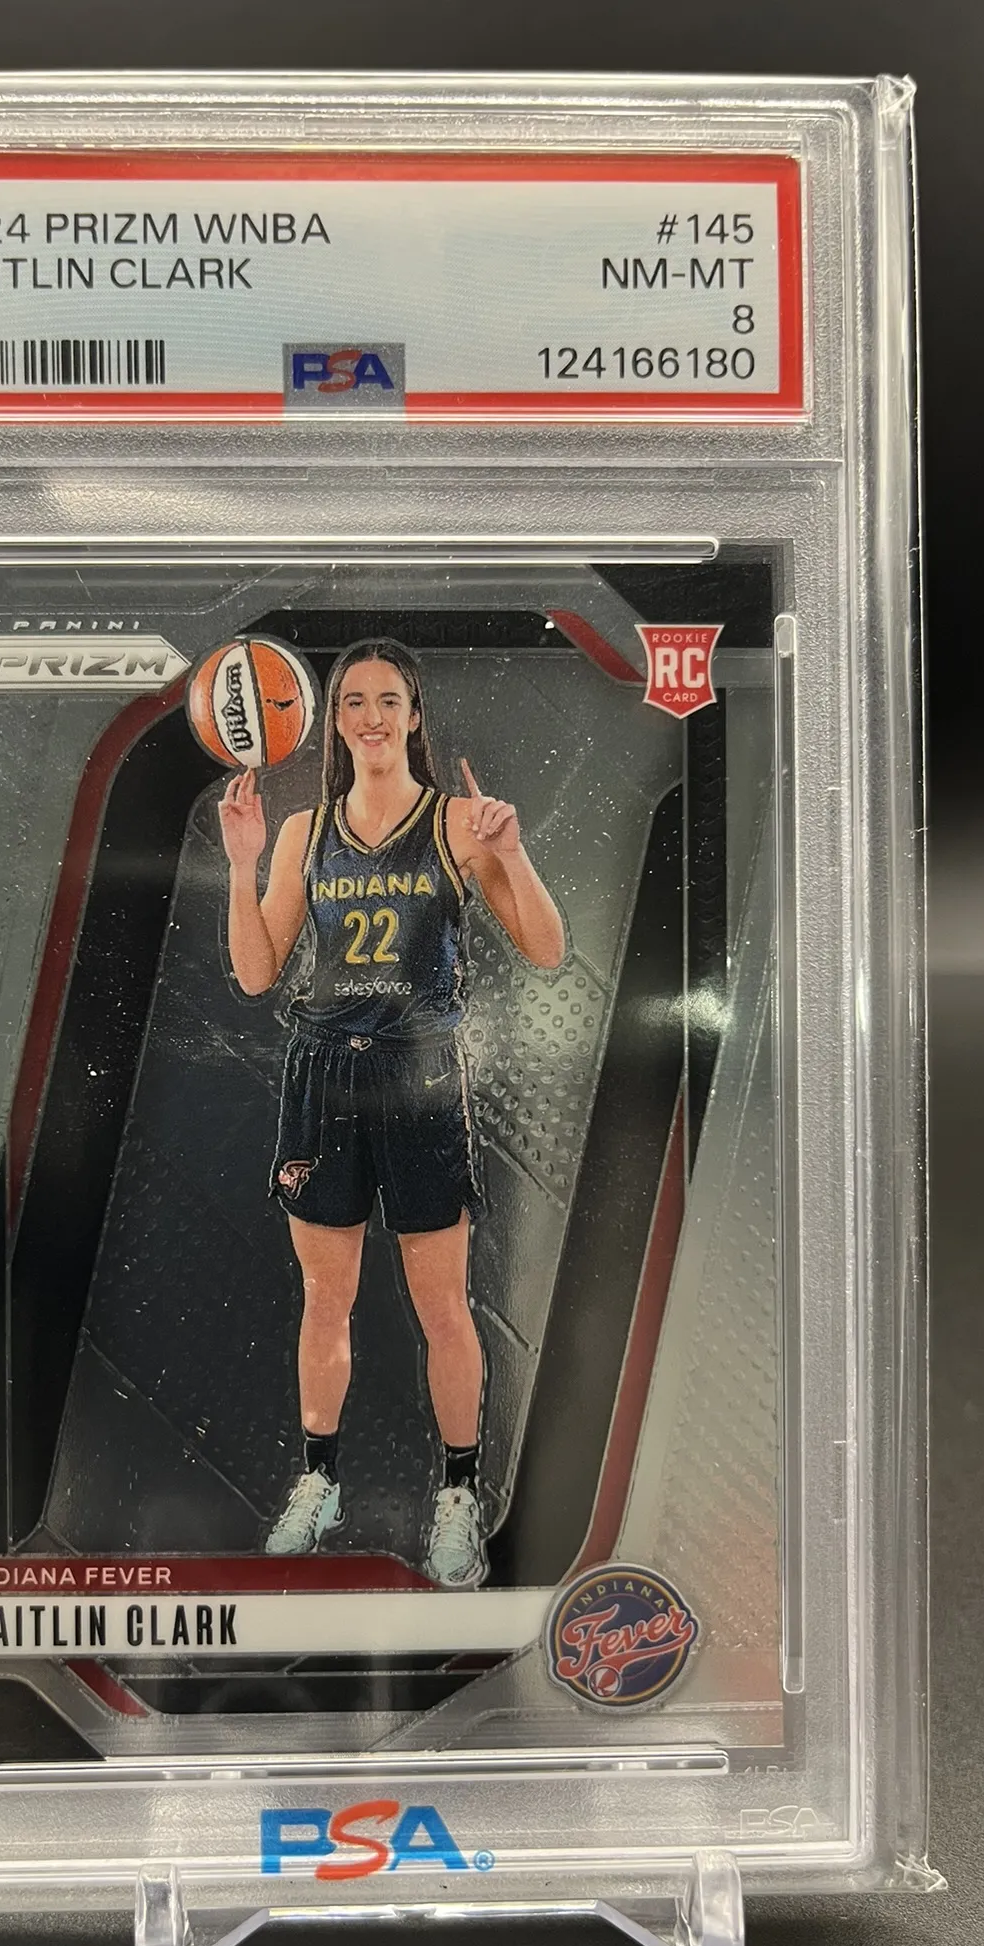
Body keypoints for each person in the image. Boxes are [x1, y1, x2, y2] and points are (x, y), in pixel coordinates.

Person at [218, 639, 564, 1586]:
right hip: (324, 1078)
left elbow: (545, 949)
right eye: (354, 702)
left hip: (420, 1079)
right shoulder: (304, 831)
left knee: (441, 1305)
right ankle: (319, 1481)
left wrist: (513, 852)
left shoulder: (457, 823)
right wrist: (242, 864)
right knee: (324, 1299)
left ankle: (457, 1494)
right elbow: (255, 972)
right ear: (332, 722)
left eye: (388, 701)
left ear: (414, 716)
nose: (371, 717)